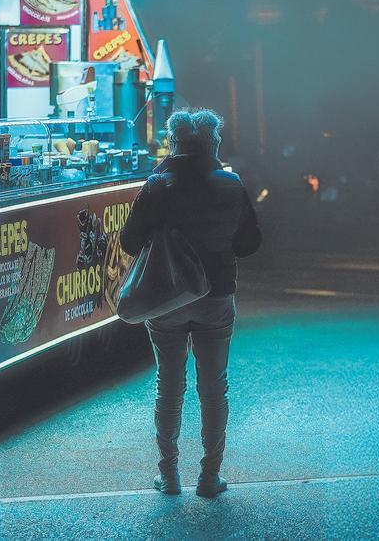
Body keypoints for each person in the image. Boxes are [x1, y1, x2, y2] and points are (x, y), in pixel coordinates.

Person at [119, 108, 262, 498]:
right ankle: (209, 477)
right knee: (214, 388)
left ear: (173, 142)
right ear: (212, 142)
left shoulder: (158, 184)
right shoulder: (230, 184)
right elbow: (249, 243)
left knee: (170, 387)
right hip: (216, 295)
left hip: (166, 300)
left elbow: (130, 242)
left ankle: (169, 476)